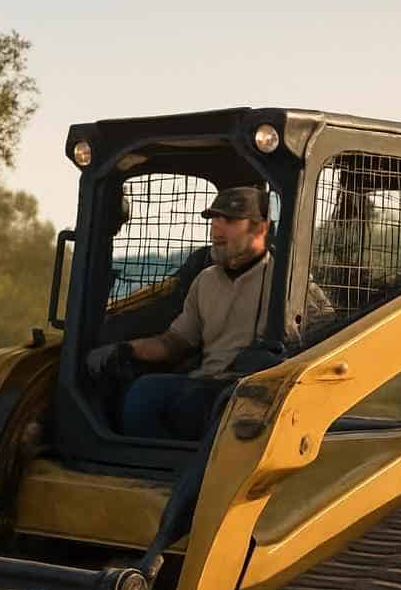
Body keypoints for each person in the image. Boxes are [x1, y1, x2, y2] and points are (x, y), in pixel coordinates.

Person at [87, 185, 297, 441]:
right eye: (213, 219)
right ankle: (155, 471)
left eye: (229, 220)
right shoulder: (205, 281)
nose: (216, 229)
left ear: (260, 228)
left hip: (251, 392)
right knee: (143, 393)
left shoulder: (287, 282)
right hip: (205, 385)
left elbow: (323, 331)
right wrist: (124, 349)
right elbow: (174, 342)